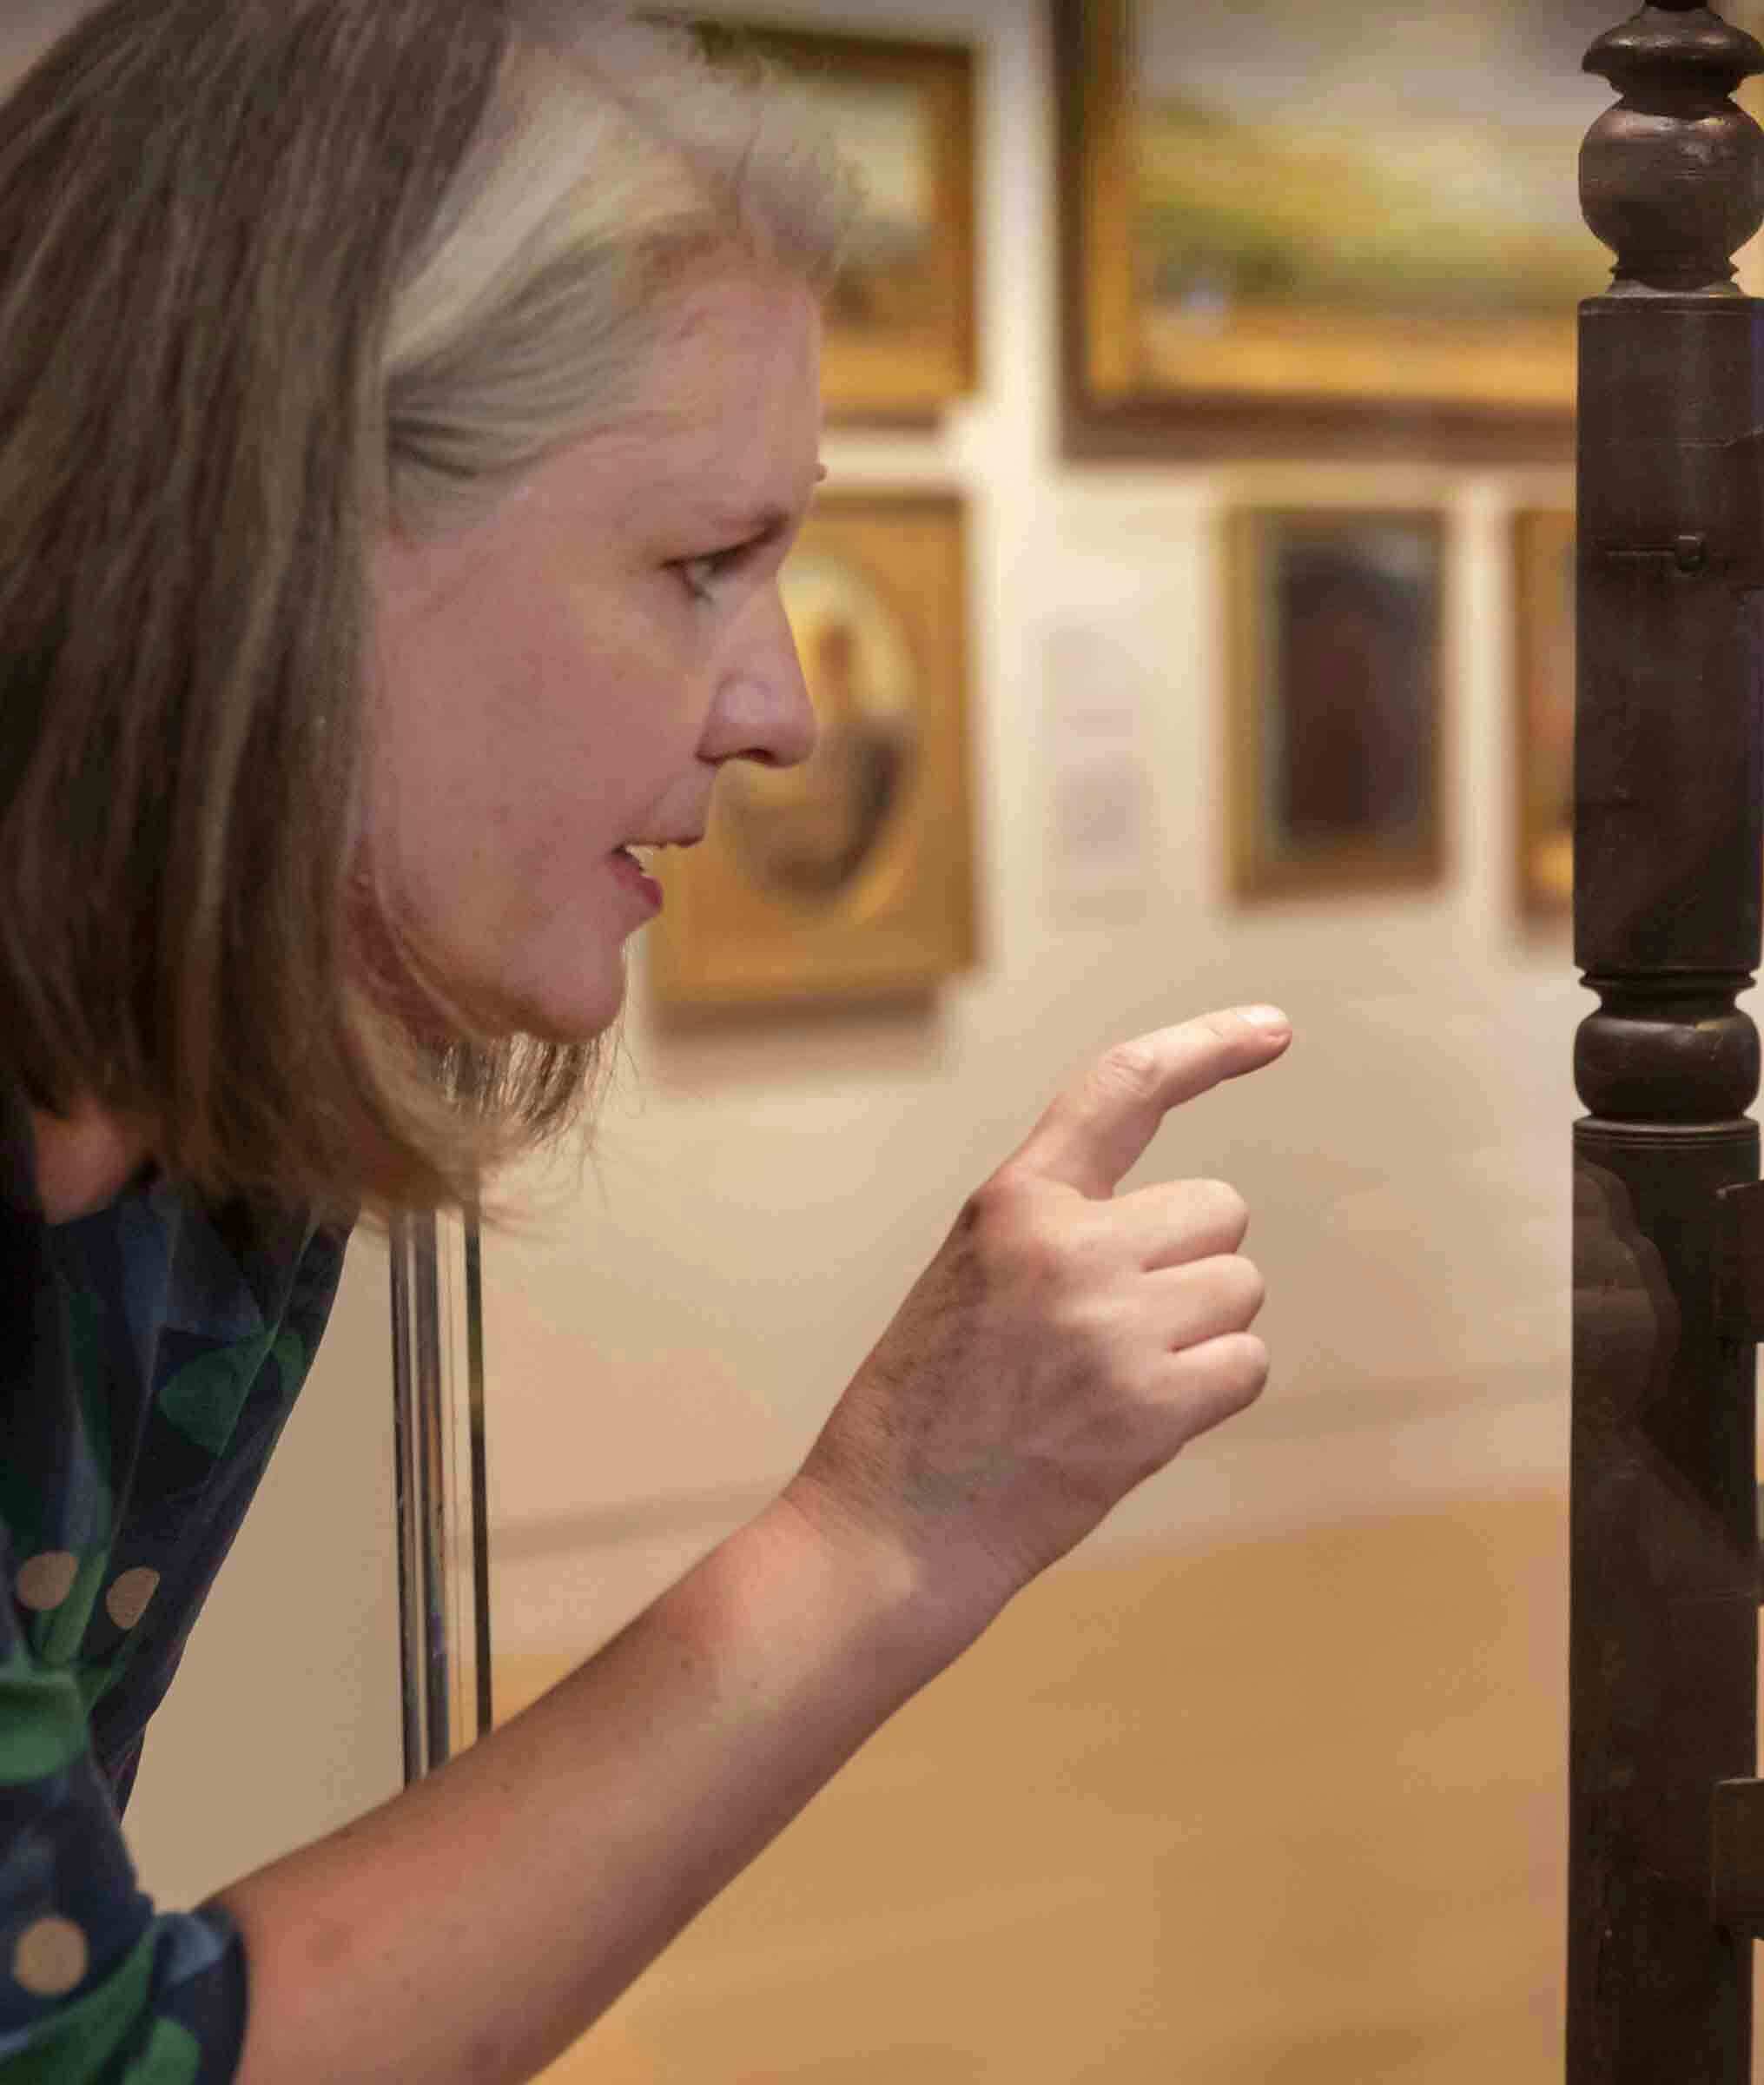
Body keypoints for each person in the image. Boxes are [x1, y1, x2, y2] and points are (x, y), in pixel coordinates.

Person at [0, 3, 1288, 2078]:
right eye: (698, 563)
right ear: (283, 527)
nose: (778, 710)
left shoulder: (211, 1158)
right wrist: (881, 1529)